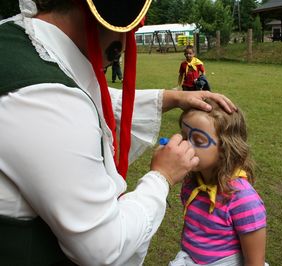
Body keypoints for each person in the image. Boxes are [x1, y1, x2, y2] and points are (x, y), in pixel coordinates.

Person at [0, 1, 237, 265]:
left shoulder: (20, 42)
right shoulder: (45, 96)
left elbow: (93, 98)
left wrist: (173, 98)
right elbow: (102, 246)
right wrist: (162, 176)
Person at [169, 99, 267, 266]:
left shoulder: (243, 199)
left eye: (198, 141)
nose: (185, 145)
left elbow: (255, 263)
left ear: (225, 149)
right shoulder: (192, 184)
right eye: (184, 136)